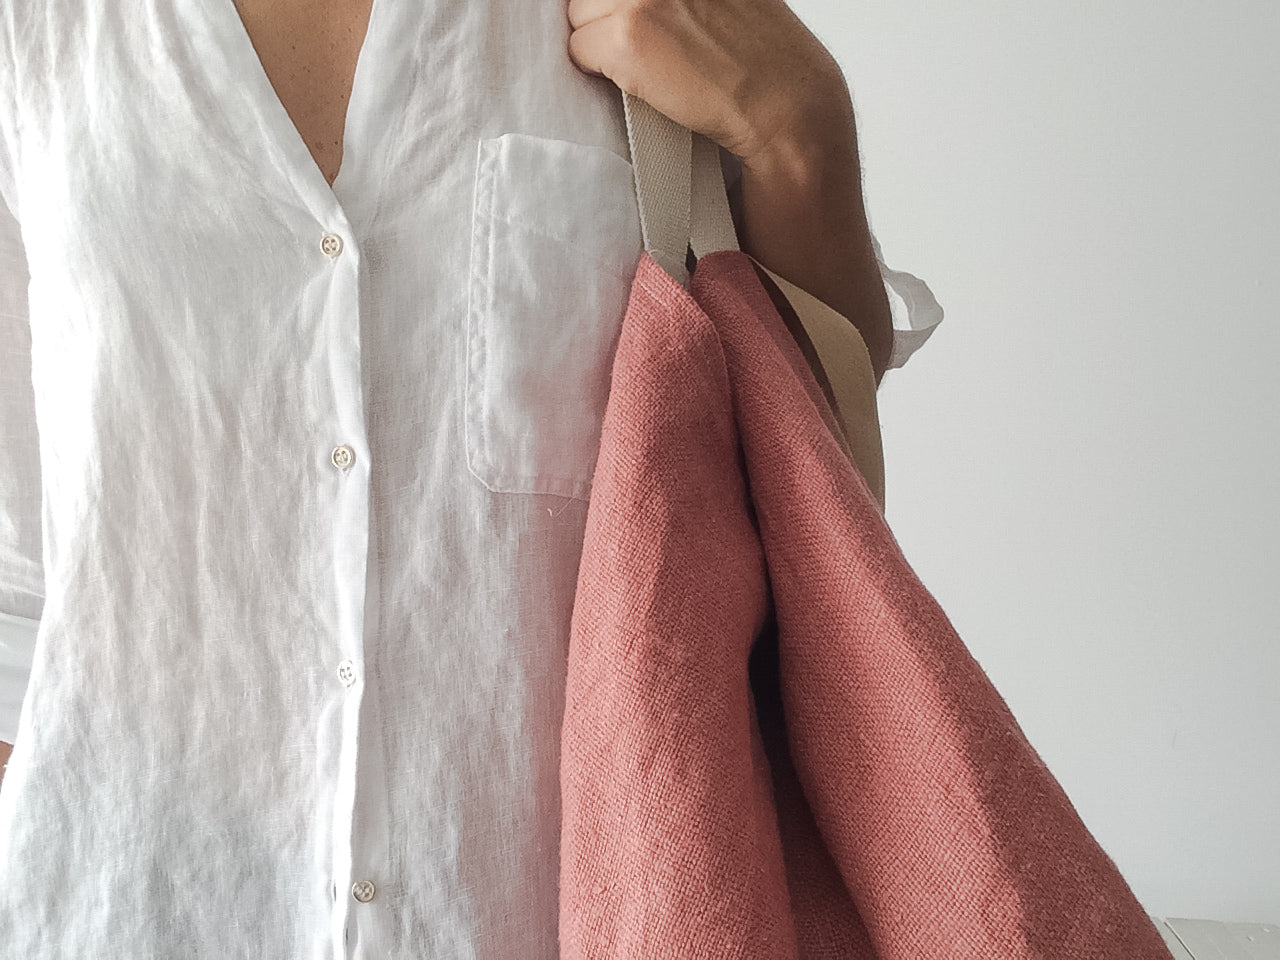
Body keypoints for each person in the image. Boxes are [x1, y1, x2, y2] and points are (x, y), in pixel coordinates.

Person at [0, 0, 944, 954]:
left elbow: (818, 494)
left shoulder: (633, 10)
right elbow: (14, 615)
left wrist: (799, 133)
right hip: (121, 908)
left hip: (590, 921)